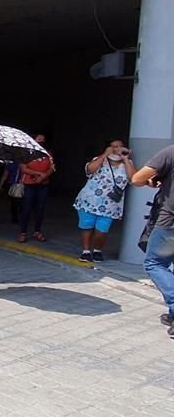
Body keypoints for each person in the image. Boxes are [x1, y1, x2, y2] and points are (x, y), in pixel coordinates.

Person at [132, 143, 174, 337]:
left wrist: (151, 180)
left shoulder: (170, 152)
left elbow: (137, 178)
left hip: (170, 223)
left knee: (155, 263)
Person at [73, 140, 136, 262]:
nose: (117, 149)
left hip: (111, 204)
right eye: (113, 146)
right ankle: (86, 251)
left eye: (119, 146)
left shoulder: (128, 163)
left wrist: (126, 159)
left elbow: (133, 178)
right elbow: (89, 169)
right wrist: (104, 155)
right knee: (86, 226)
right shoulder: (99, 159)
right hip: (89, 200)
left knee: (102, 229)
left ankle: (97, 250)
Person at [18, 133, 55, 242]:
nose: (40, 142)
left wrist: (44, 176)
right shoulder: (25, 152)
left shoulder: (47, 153)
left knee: (40, 209)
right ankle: (23, 232)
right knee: (26, 208)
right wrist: (39, 174)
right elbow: (23, 168)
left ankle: (37, 231)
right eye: (38, 139)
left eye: (42, 140)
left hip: (43, 184)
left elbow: (52, 167)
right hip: (29, 184)